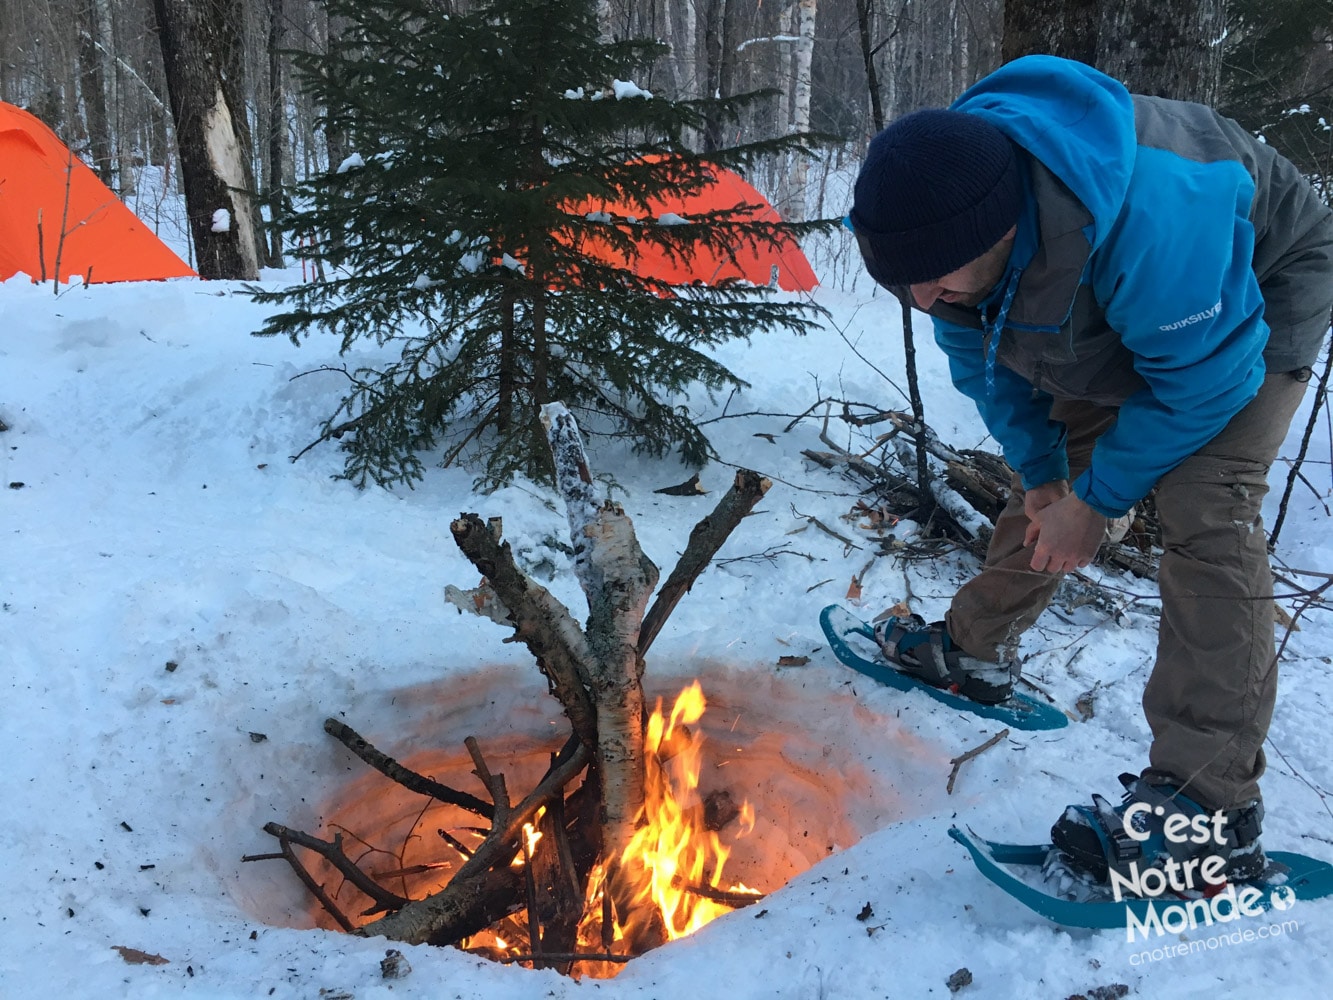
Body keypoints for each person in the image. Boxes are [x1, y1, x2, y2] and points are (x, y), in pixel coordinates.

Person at [848, 54, 1333, 888]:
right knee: (1050, 478)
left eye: (933, 279)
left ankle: (1205, 815)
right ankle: (973, 651)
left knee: (1203, 509)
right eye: (904, 286)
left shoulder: (1157, 213)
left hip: (1259, 278)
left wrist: (1101, 504)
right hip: (1116, 285)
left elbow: (1206, 379)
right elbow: (987, 362)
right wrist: (1043, 479)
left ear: (998, 230)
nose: (922, 301)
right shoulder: (950, 219)